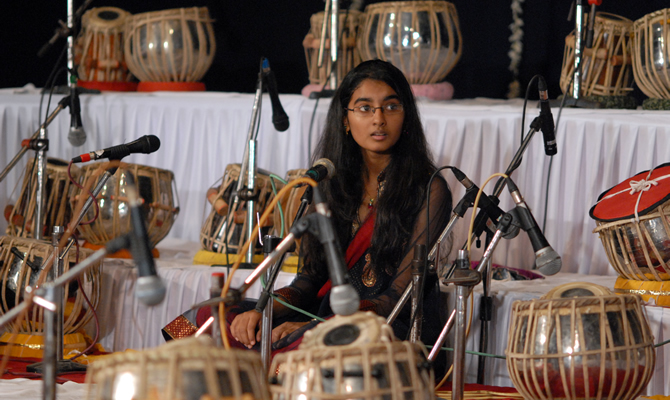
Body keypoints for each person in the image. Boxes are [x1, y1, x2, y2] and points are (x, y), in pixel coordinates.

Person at [229, 59, 453, 359]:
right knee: (212, 321)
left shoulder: (428, 189)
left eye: (391, 106)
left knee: (300, 352)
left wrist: (318, 326)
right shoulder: (328, 182)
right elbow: (308, 280)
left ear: (406, 116)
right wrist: (264, 308)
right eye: (365, 108)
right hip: (323, 314)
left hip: (389, 327)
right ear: (345, 119)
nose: (378, 119)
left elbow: (397, 296)